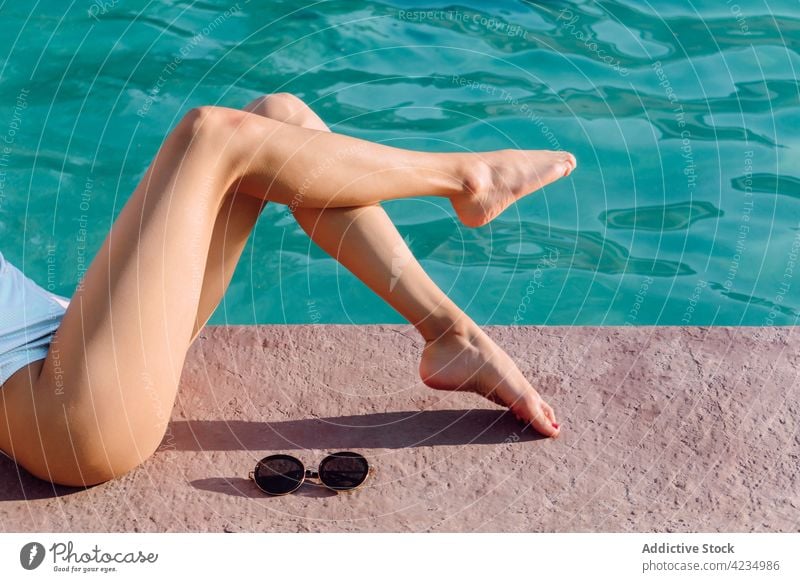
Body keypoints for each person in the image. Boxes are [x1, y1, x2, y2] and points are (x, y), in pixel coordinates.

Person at [0, 94, 576, 488]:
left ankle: (452, 334)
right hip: (66, 418)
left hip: (75, 347)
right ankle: (465, 178)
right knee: (214, 134)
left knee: (279, 117)